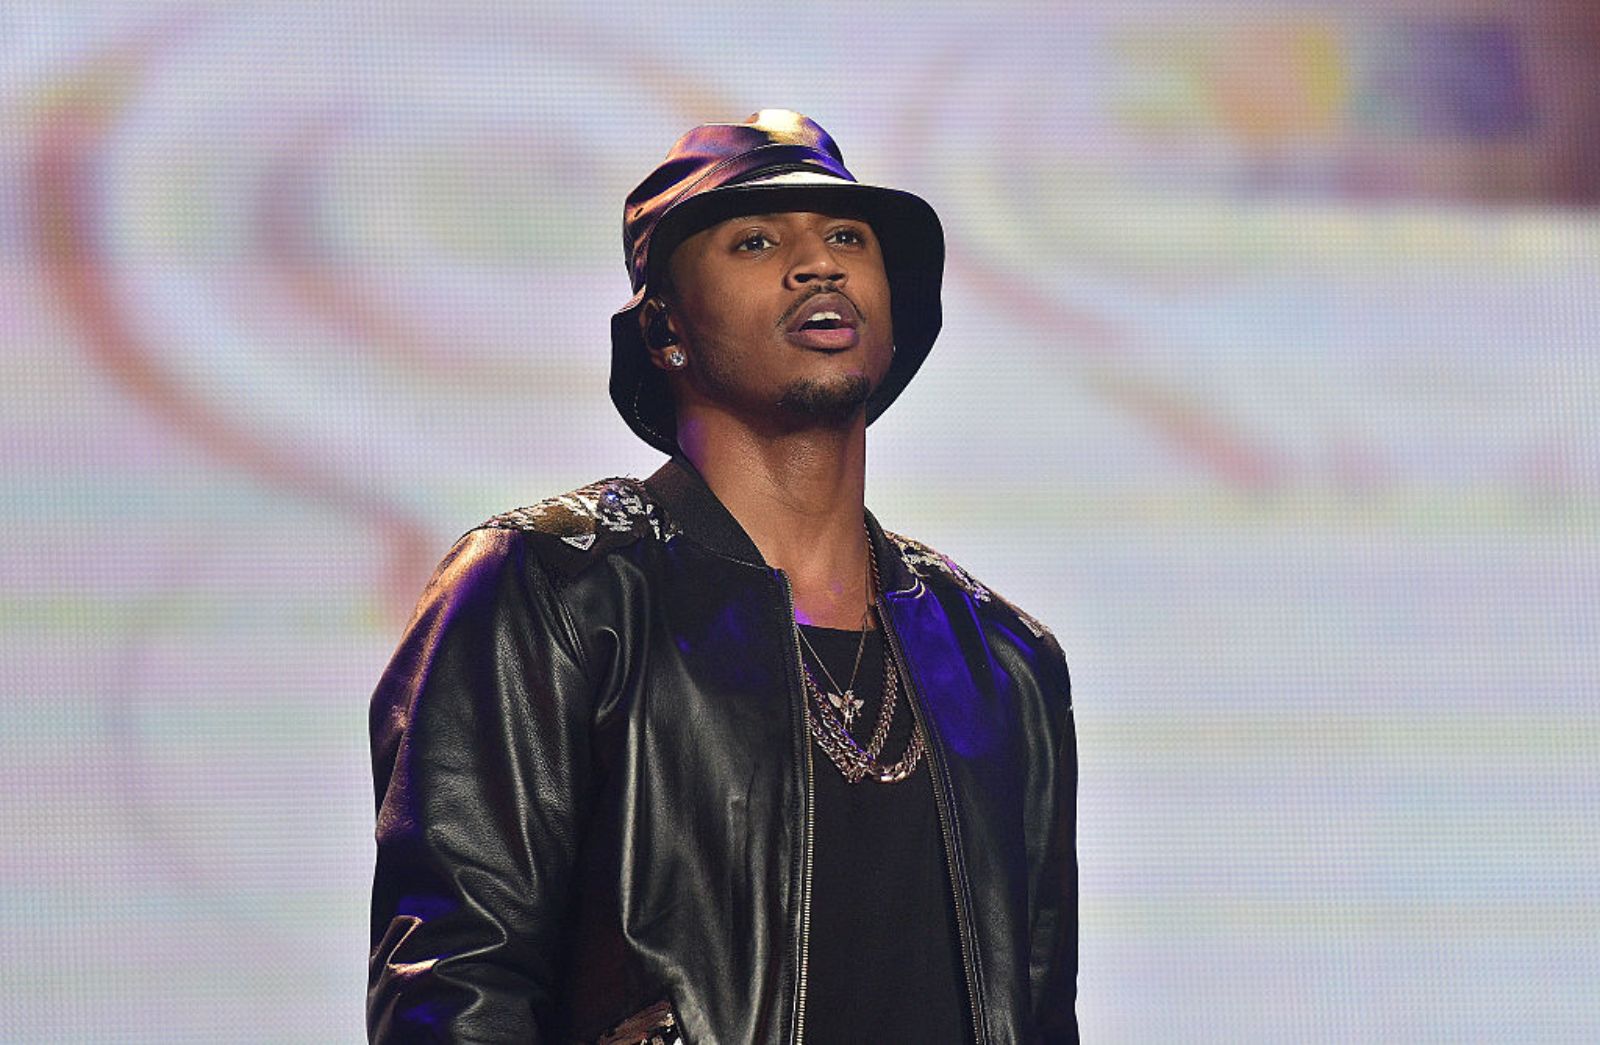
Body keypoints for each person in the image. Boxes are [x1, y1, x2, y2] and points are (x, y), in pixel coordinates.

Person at [367, 109, 1077, 1044]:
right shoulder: (550, 591)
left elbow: (1037, 1009)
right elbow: (454, 986)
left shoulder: (1002, 662)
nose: (818, 264)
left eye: (846, 237)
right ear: (665, 327)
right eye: (755, 239)